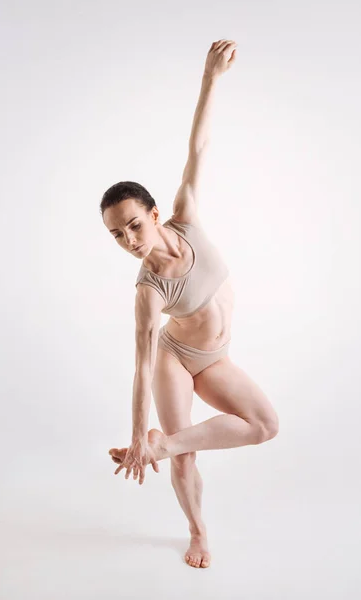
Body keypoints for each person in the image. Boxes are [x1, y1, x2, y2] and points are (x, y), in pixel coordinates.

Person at [101, 39, 279, 569]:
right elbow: (140, 367)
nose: (129, 239)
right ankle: (198, 533)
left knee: (265, 425)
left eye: (133, 224)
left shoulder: (187, 216)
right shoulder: (147, 292)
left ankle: (165, 445)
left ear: (155, 214)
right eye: (116, 235)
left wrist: (211, 77)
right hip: (175, 359)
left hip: (215, 357)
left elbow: (197, 147)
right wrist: (136, 435)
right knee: (186, 454)